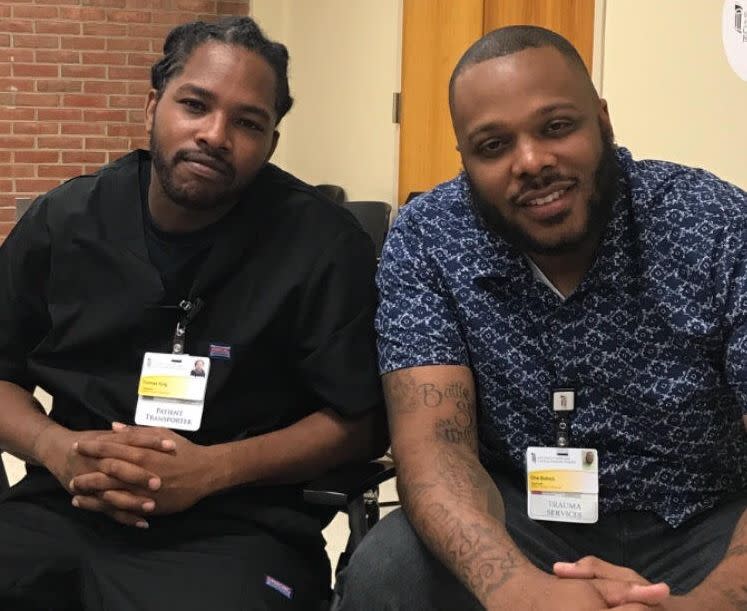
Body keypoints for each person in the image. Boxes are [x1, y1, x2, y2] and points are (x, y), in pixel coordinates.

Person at [336, 25, 746, 611]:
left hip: (703, 521)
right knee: (389, 573)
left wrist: (710, 603)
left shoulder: (714, 224)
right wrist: (518, 591)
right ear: (465, 160)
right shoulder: (430, 237)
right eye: (493, 146)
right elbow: (434, 450)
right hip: (521, 523)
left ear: (602, 121)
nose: (531, 162)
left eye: (557, 127)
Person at [0, 16, 386, 611]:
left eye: (248, 122)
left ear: (272, 142)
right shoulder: (64, 222)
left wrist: (212, 470)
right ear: (154, 105)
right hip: (69, 502)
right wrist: (56, 448)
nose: (215, 134)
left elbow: (359, 421)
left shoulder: (321, 246)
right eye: (195, 104)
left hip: (239, 525)